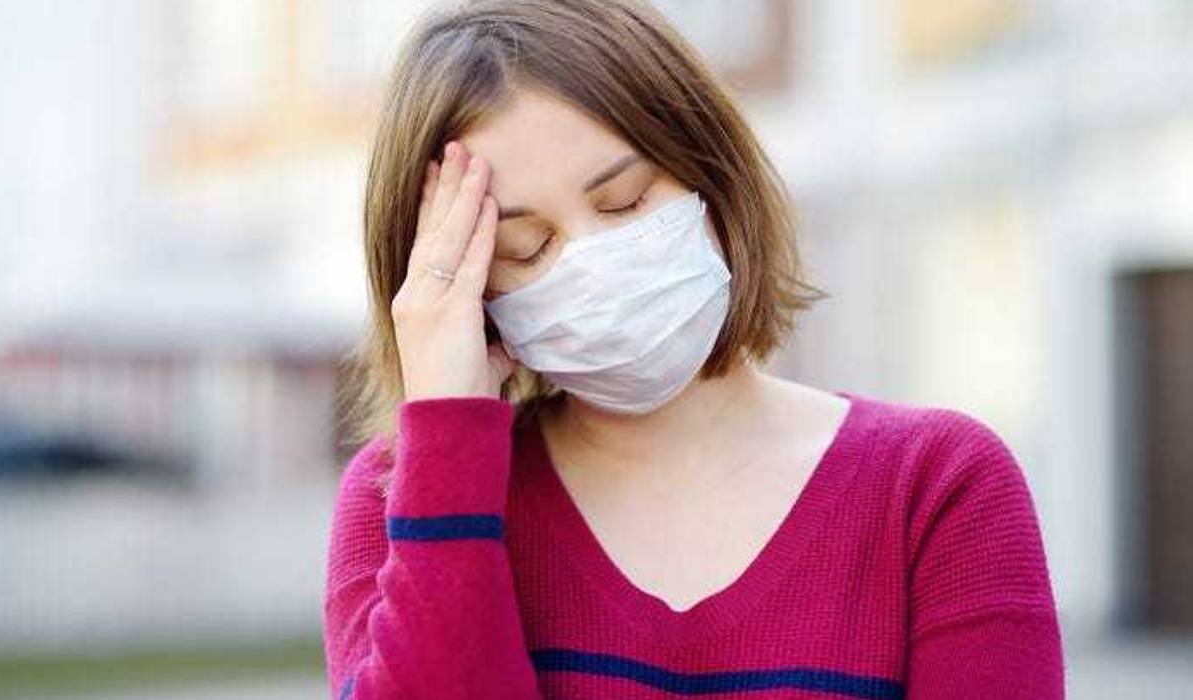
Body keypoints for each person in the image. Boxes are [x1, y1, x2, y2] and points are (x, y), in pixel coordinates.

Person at [323, 1, 1065, 698]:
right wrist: (447, 441)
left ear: (710, 177)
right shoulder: (399, 500)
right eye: (525, 246)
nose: (593, 262)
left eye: (626, 201)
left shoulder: (935, 487)